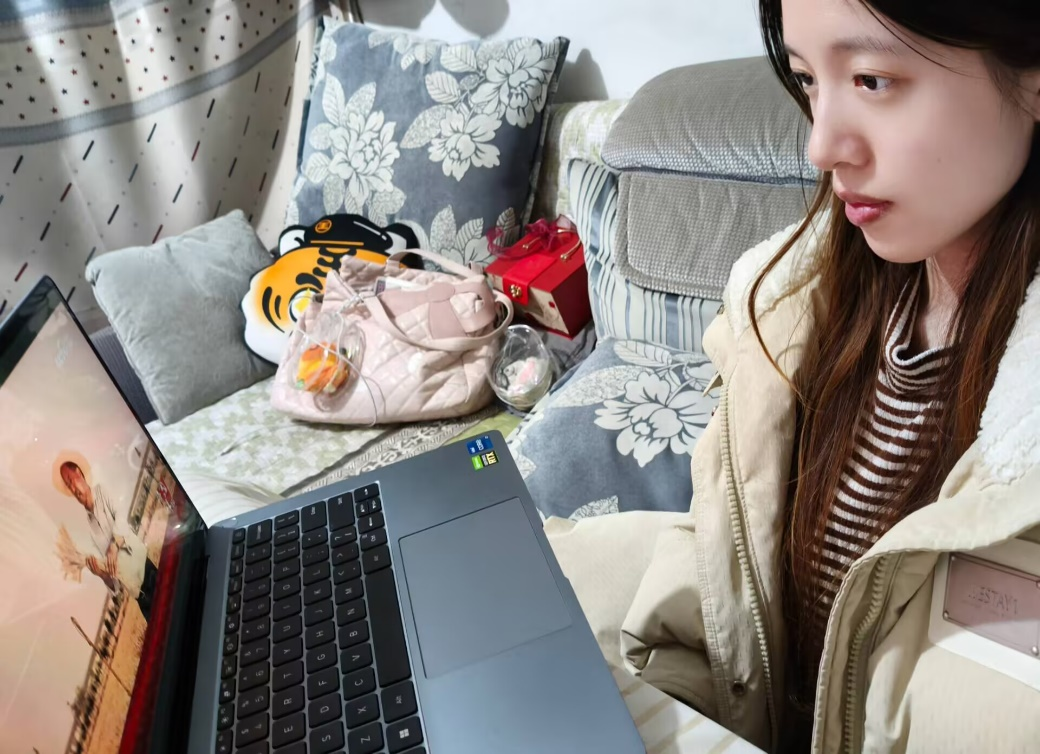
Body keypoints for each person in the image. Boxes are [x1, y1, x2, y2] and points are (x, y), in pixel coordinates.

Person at [544, 1, 1040, 752]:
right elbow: (731, 581)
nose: (822, 146)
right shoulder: (794, 307)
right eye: (808, 80)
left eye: (872, 79)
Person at [60, 461, 157, 620]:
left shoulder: (102, 491)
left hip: (147, 572)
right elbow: (115, 585)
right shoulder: (89, 530)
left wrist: (114, 545)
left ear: (78, 472)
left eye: (71, 480)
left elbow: (121, 516)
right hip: (139, 595)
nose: (72, 488)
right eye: (68, 486)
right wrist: (100, 574)